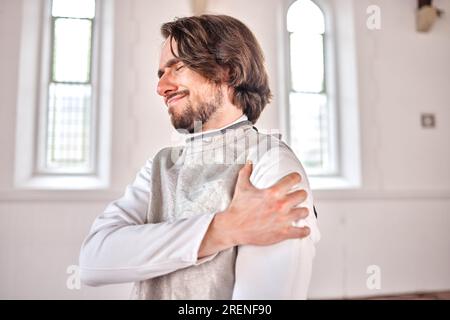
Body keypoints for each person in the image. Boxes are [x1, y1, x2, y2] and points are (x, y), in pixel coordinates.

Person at [79, 14, 320, 299]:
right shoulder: (161, 166)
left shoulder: (272, 166)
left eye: (177, 67)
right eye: (160, 74)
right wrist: (221, 229)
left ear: (227, 71)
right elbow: (94, 260)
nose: (161, 88)